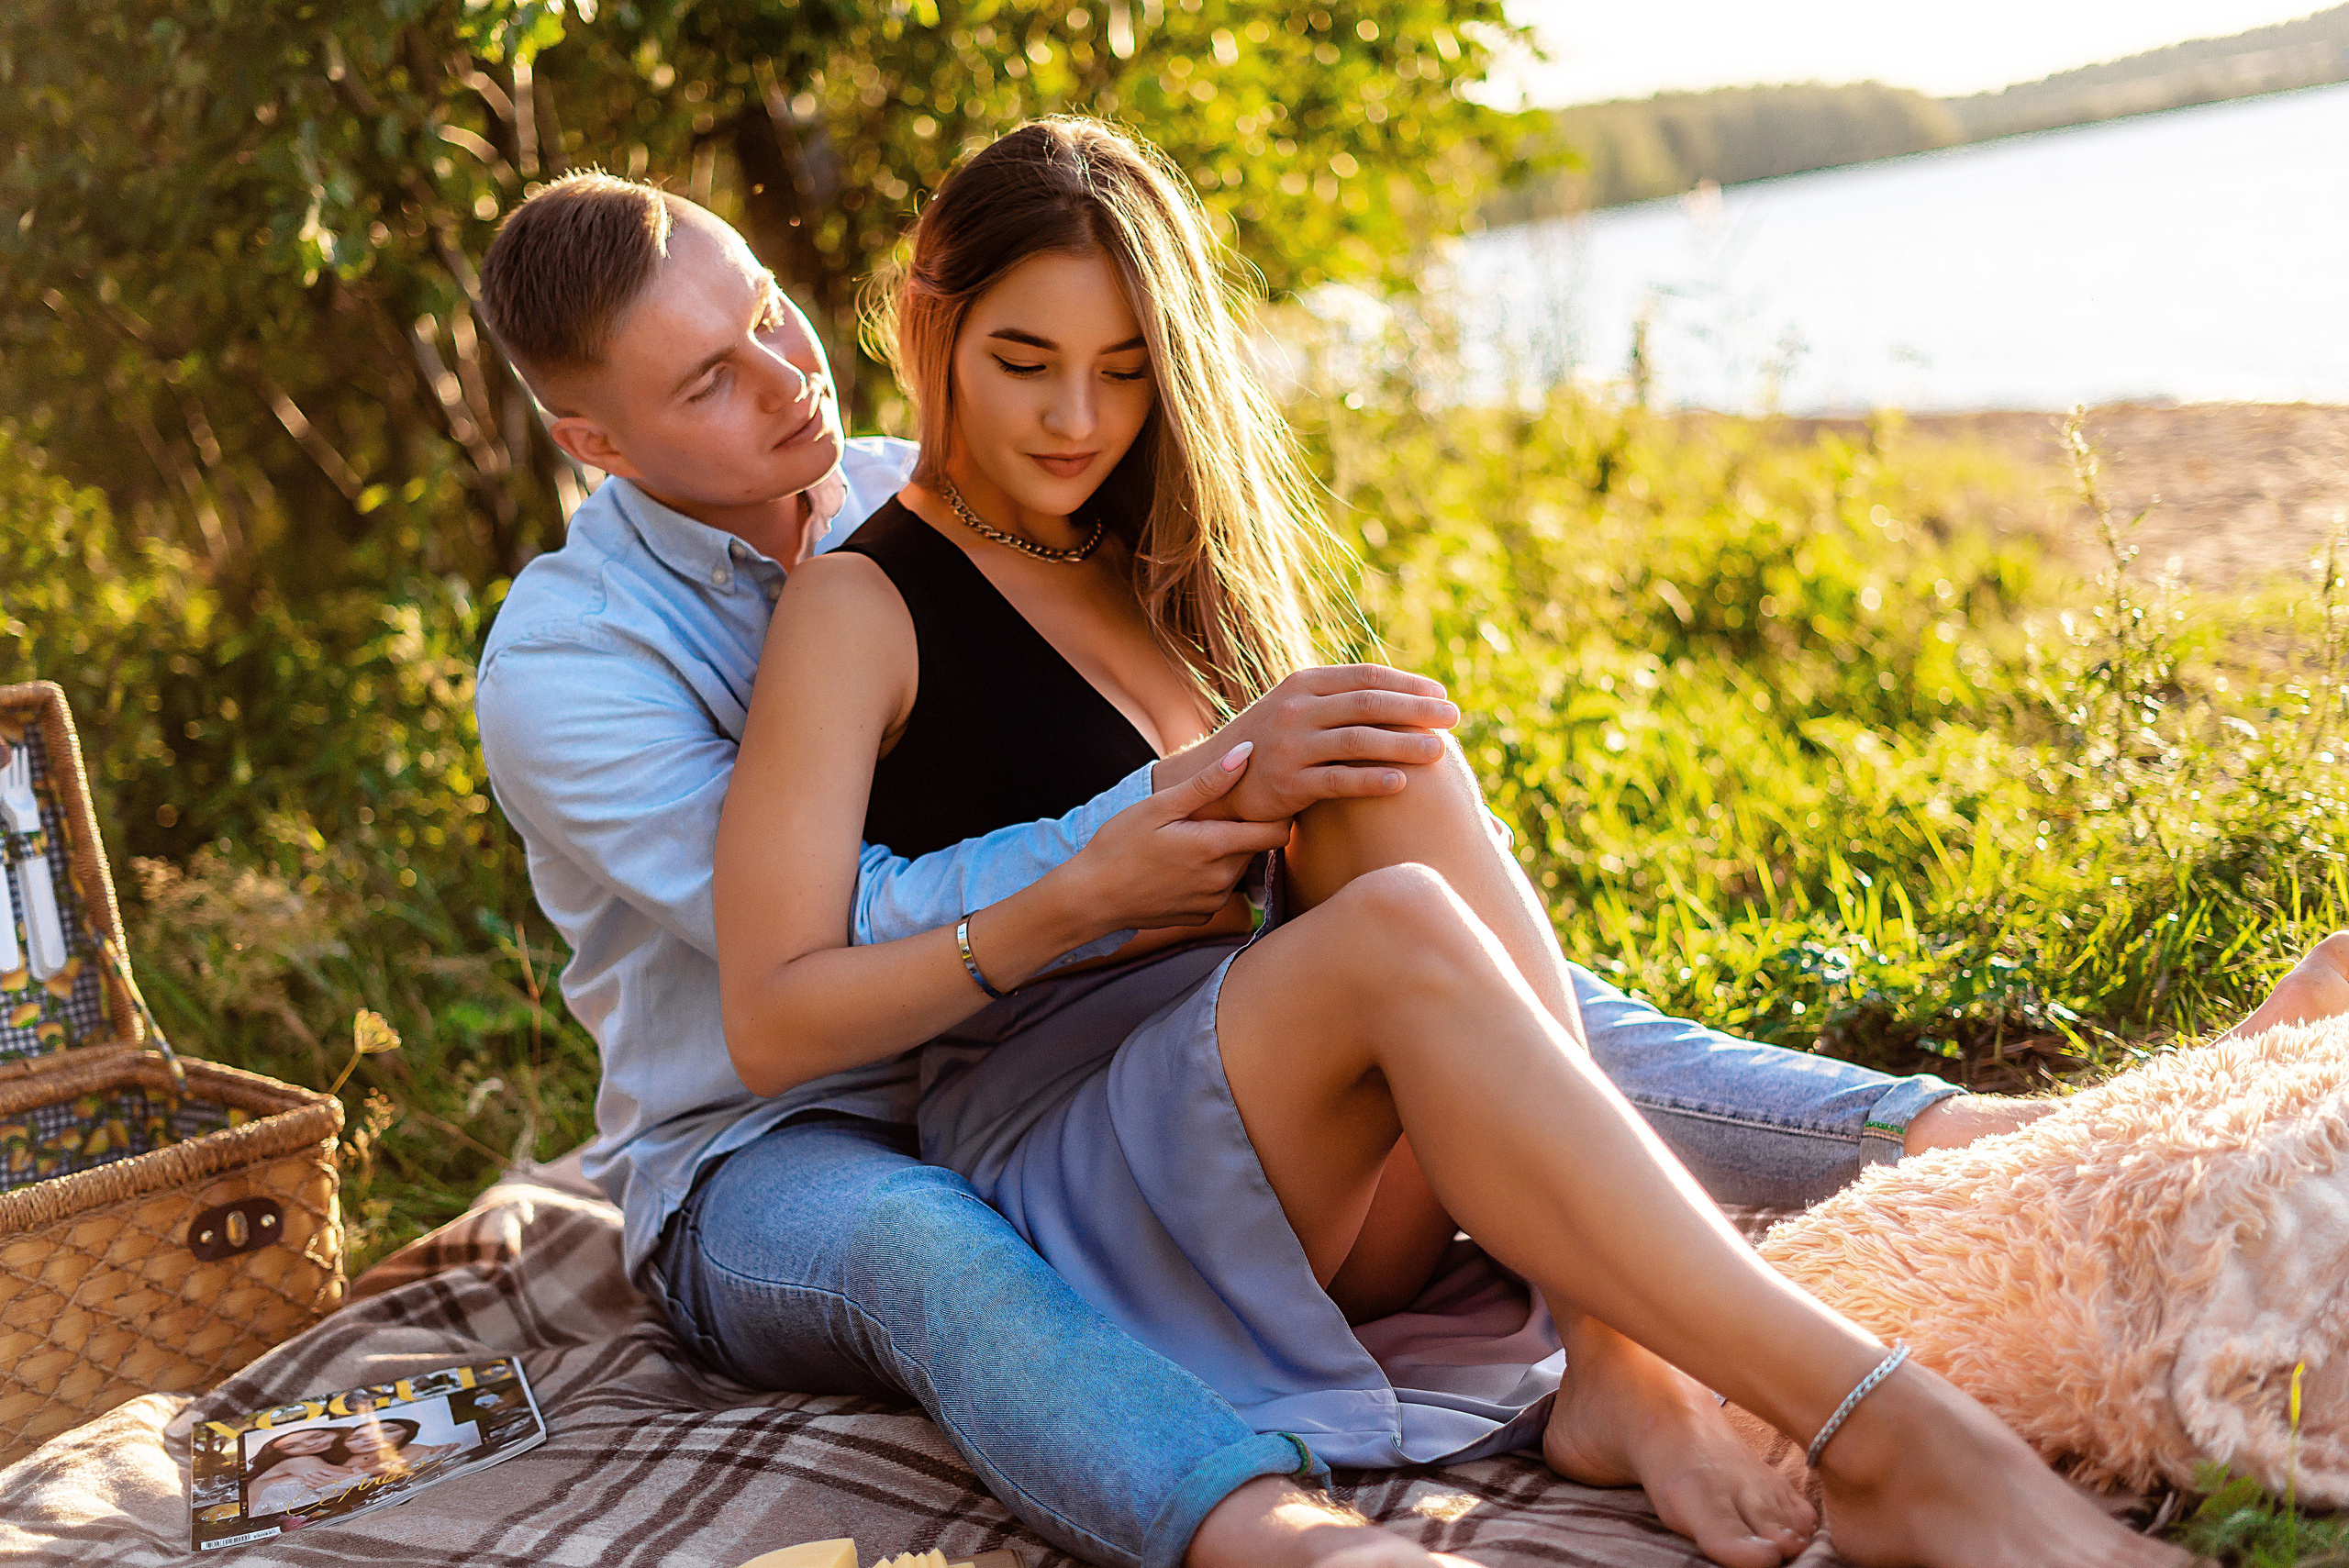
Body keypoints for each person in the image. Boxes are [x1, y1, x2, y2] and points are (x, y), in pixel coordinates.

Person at [471, 166, 2065, 1568]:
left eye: (767, 315)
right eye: (708, 380)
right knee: (922, 1242)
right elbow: (816, 945)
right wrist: (1135, 842)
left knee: (1435, 879)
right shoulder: (576, 657)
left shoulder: (942, 483)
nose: (783, 381)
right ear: (593, 441)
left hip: (1095, 1041)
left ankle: (1919, 1178)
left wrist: (1243, 803)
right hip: (776, 1141)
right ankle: (1279, 1535)